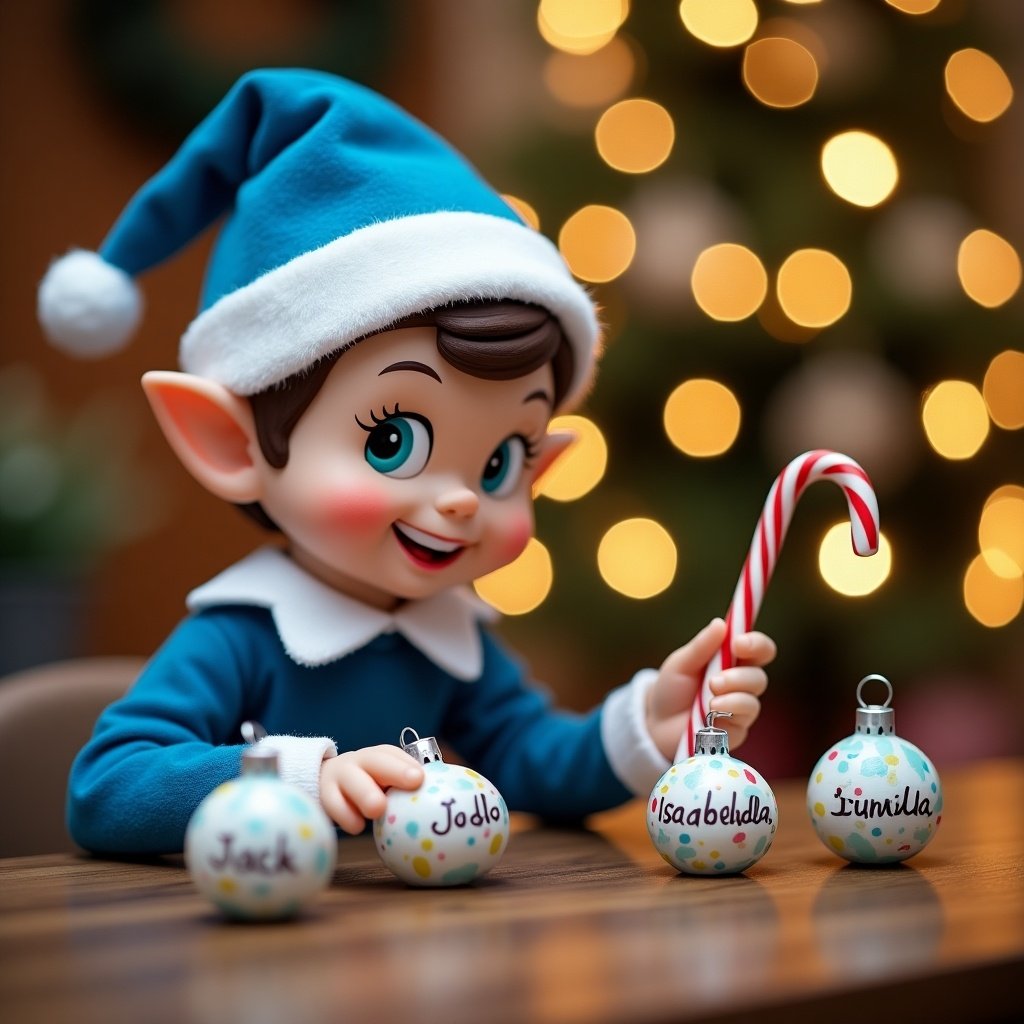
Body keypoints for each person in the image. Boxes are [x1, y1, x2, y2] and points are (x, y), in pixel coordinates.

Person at [39, 69, 774, 855]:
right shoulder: (241, 638)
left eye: (500, 463)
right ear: (228, 442)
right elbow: (108, 786)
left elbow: (533, 762)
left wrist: (648, 725)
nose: (460, 501)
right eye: (393, 442)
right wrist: (294, 782)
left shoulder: (448, 636)